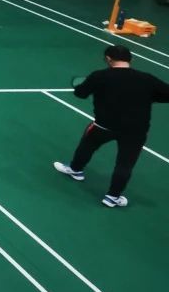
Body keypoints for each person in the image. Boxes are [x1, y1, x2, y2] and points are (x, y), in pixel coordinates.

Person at [54, 44, 169, 207]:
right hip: (135, 131)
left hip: (104, 126)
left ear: (108, 59)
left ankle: (76, 169)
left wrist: (79, 87)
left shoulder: (100, 76)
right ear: (131, 59)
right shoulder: (147, 78)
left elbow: (80, 94)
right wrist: (150, 97)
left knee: (88, 144)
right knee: (125, 164)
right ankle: (112, 197)